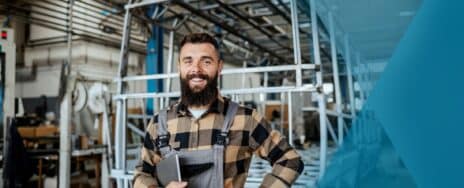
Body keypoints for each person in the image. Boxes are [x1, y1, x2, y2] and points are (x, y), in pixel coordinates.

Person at [133, 33, 303, 188]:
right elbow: (141, 175)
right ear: (179, 67)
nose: (196, 69)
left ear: (219, 67)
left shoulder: (245, 119)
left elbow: (290, 160)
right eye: (188, 61)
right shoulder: (159, 123)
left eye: (206, 61)